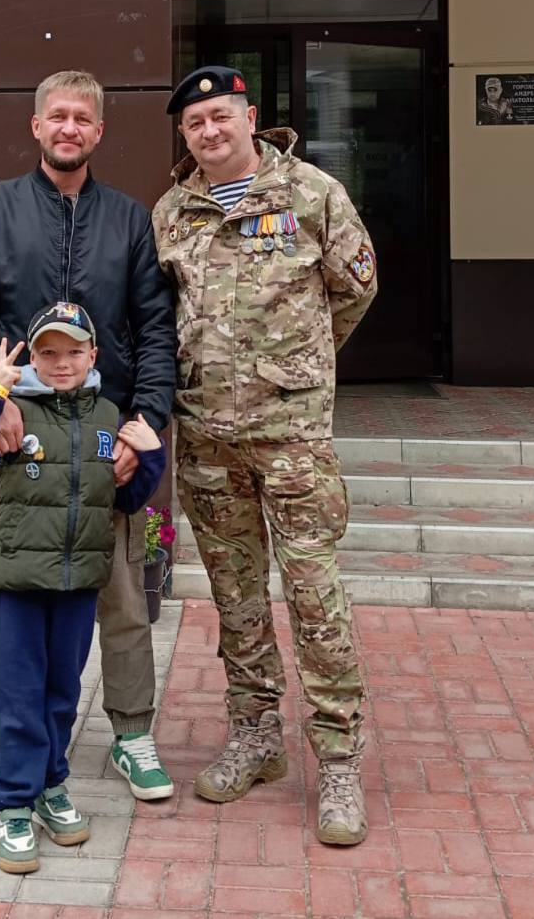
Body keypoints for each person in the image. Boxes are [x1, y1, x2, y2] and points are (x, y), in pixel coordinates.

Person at [152, 66, 377, 846]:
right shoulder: (172, 212)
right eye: (194, 123)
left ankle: (340, 759)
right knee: (237, 598)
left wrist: (296, 368)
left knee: (314, 594)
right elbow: (162, 313)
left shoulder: (312, 194)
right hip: (207, 441)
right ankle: (255, 736)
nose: (208, 131)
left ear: (250, 119)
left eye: (220, 116)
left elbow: (354, 292)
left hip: (292, 440)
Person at [0, 70, 176, 803]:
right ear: (36, 125)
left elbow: (156, 329)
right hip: (16, 439)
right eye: (58, 116)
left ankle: (132, 731)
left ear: (99, 132)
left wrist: (145, 422)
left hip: (104, 438)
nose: (69, 128)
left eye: (83, 118)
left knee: (123, 597)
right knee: (1, 593)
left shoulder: (129, 220)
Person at [0, 301, 166, 874]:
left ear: (94, 355)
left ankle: (51, 786)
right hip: (21, 586)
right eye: (48, 352)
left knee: (62, 695)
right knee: (19, 696)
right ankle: (14, 807)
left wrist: (151, 458)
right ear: (33, 359)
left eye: (74, 351)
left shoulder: (108, 415)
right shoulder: (14, 411)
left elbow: (124, 498)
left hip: (78, 586)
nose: (62, 362)